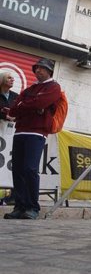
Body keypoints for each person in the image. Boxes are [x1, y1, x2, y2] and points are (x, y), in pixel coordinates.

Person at [4, 58, 61, 220]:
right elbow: (15, 108)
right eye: (37, 68)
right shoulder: (31, 88)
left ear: (49, 71)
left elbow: (39, 103)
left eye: (42, 68)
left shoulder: (53, 87)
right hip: (20, 131)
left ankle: (32, 207)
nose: (38, 71)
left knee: (30, 169)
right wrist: (29, 105)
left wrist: (25, 105)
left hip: (36, 132)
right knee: (18, 169)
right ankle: (19, 206)